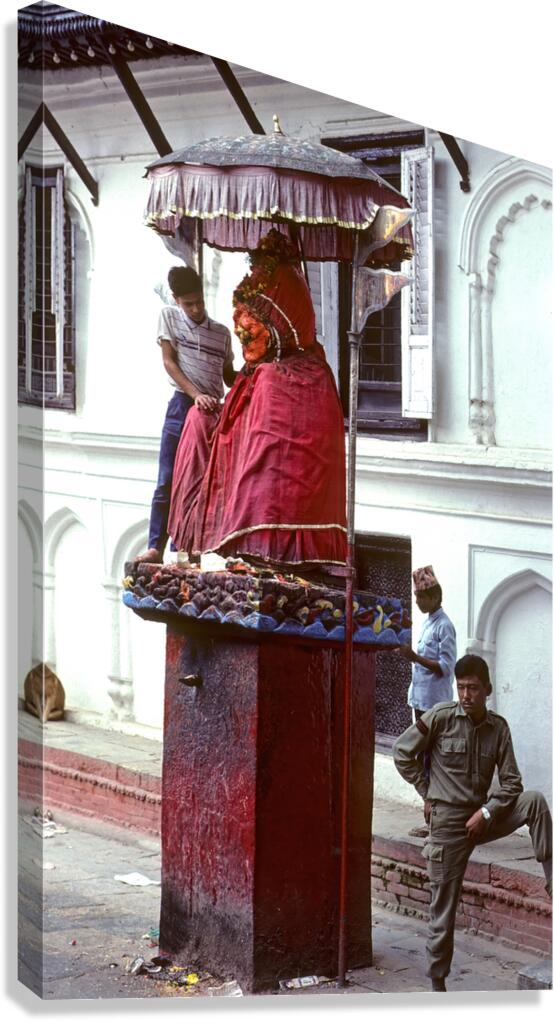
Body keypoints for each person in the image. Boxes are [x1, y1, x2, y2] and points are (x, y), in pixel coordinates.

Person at [167, 229, 347, 570]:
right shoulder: (261, 373)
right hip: (216, 396)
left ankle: (265, 546)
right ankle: (180, 541)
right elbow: (225, 378)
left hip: (274, 386)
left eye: (252, 333)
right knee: (195, 423)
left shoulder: (288, 375)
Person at [393, 654, 552, 992]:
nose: (466, 695)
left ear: (487, 690)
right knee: (443, 910)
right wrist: (427, 794)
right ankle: (438, 986)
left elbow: (512, 784)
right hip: (448, 823)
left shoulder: (498, 727)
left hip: (483, 816)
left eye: (473, 689)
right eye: (461, 687)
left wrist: (490, 812)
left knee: (535, 802)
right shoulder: (440, 717)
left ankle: (553, 886)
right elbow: (402, 752)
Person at [136, 265, 235, 564]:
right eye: (188, 303)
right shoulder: (168, 317)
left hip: (212, 415)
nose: (195, 309)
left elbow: (229, 375)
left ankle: (195, 548)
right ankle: (156, 546)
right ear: (177, 300)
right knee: (168, 478)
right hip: (183, 406)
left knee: (205, 484)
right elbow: (169, 363)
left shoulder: (221, 333)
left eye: (199, 302)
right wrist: (196, 395)